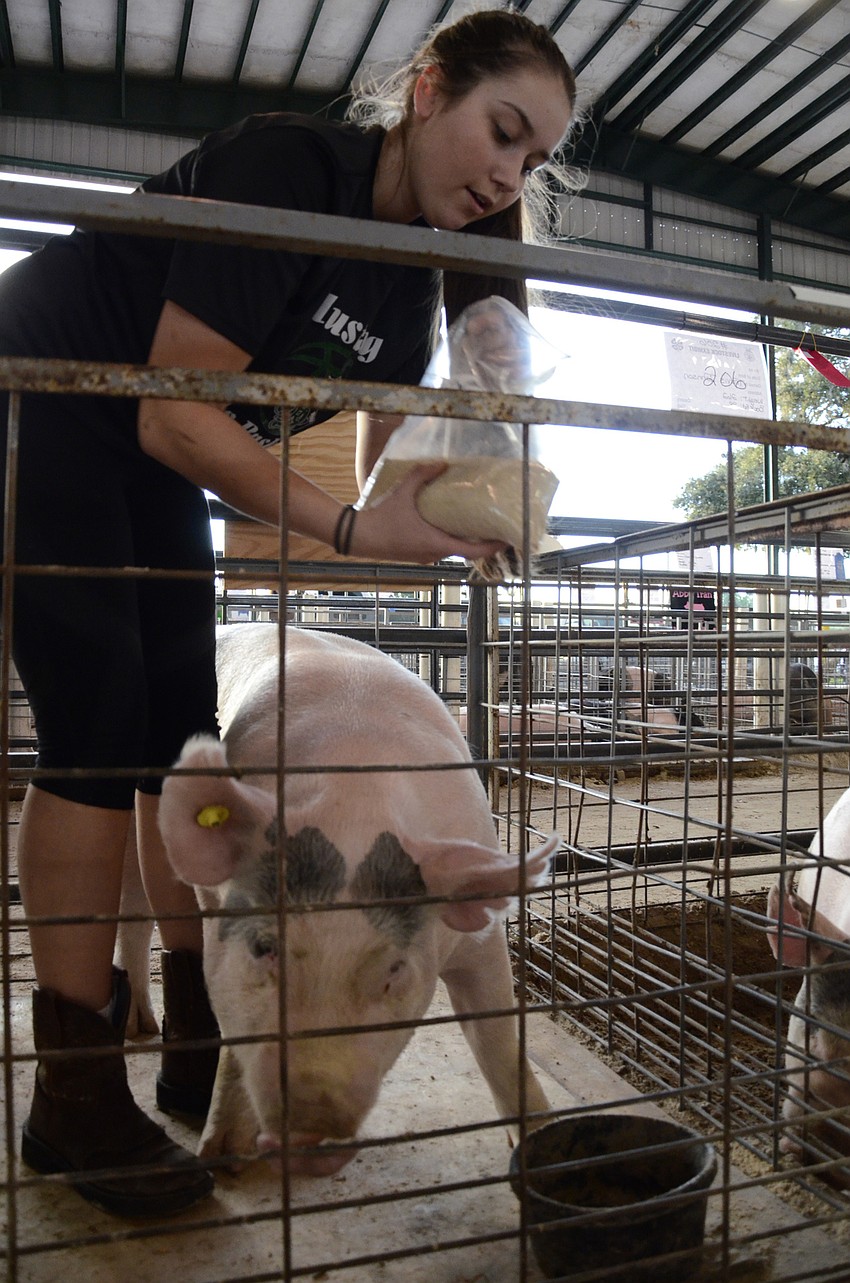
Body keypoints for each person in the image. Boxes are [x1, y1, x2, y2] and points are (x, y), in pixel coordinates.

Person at [0, 7, 577, 1217]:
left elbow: (391, 445)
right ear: (427, 89)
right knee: (100, 730)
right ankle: (73, 1093)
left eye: (530, 162)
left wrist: (470, 494)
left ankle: (194, 1018)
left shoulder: (408, 284)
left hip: (147, 450)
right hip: (42, 391)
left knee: (177, 738)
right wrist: (362, 531)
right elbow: (175, 411)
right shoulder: (287, 169)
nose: (504, 173)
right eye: (500, 129)